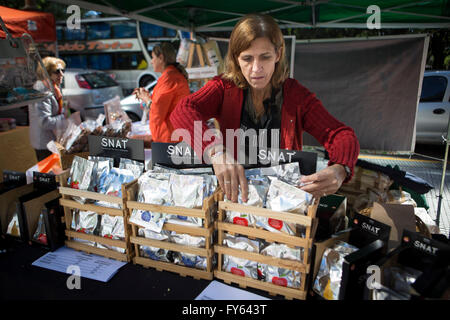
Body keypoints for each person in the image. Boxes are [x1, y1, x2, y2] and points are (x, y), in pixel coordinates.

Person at [170, 13, 360, 203]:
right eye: (247, 59)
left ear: (278, 54)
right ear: (236, 58)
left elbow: (340, 134)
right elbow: (183, 110)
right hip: (236, 199)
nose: (256, 68)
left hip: (284, 202)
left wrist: (341, 168)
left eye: (265, 57)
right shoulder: (224, 88)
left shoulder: (296, 96)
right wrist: (215, 151)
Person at [133, 42, 190, 143]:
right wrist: (146, 97)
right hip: (173, 136)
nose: (151, 62)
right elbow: (163, 104)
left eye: (153, 57)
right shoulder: (171, 76)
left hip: (169, 139)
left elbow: (157, 113)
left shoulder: (169, 78)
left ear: (161, 58)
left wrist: (146, 98)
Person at [29, 56, 69, 162]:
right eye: (57, 71)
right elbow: (45, 122)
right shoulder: (42, 91)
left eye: (62, 70)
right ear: (46, 73)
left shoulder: (53, 88)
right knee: (49, 176)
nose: (61, 74)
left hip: (52, 141)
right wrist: (64, 117)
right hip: (44, 145)